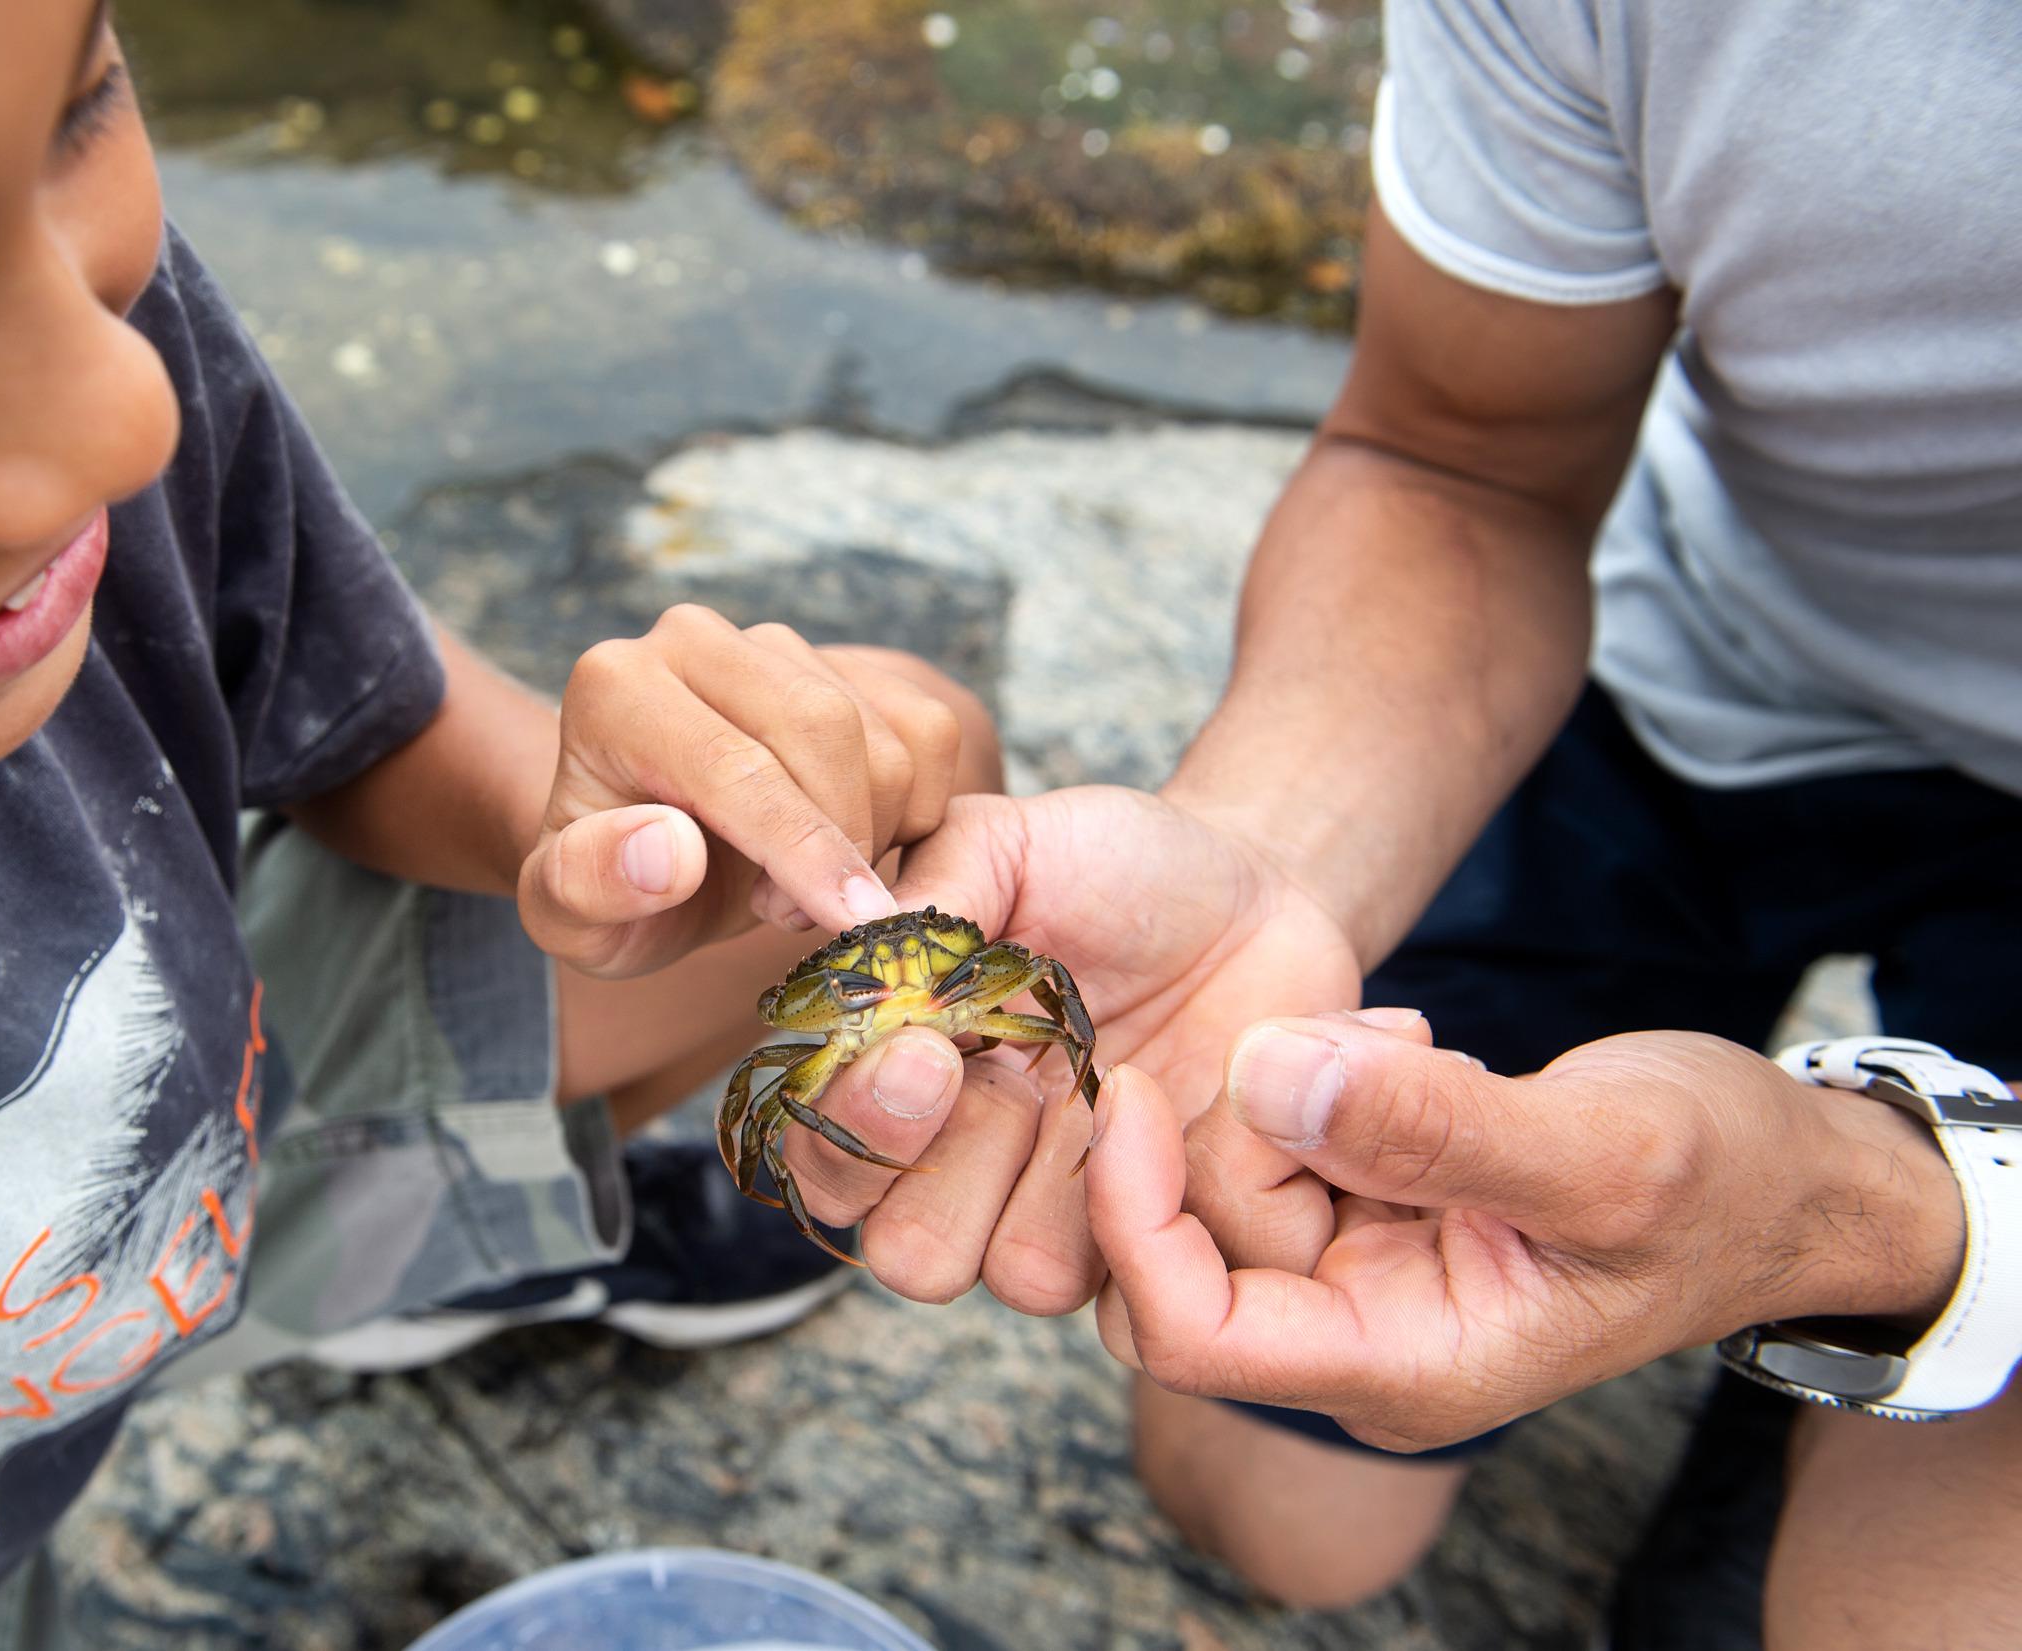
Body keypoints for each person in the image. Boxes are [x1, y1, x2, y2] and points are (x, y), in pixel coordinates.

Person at [0, 5, 997, 1647]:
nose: (123, 419)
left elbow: (368, 712)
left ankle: (425, 1251)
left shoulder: (72, 328)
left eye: (77, 113)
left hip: (204, 1137)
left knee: (881, 800)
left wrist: (597, 805)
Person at [762, 1, 2022, 1645]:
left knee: (1908, 1617)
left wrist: (1872, 1223)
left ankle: (1834, 1339)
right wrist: (1262, 860)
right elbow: (1466, 457)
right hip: (1718, 662)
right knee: (1284, 1498)